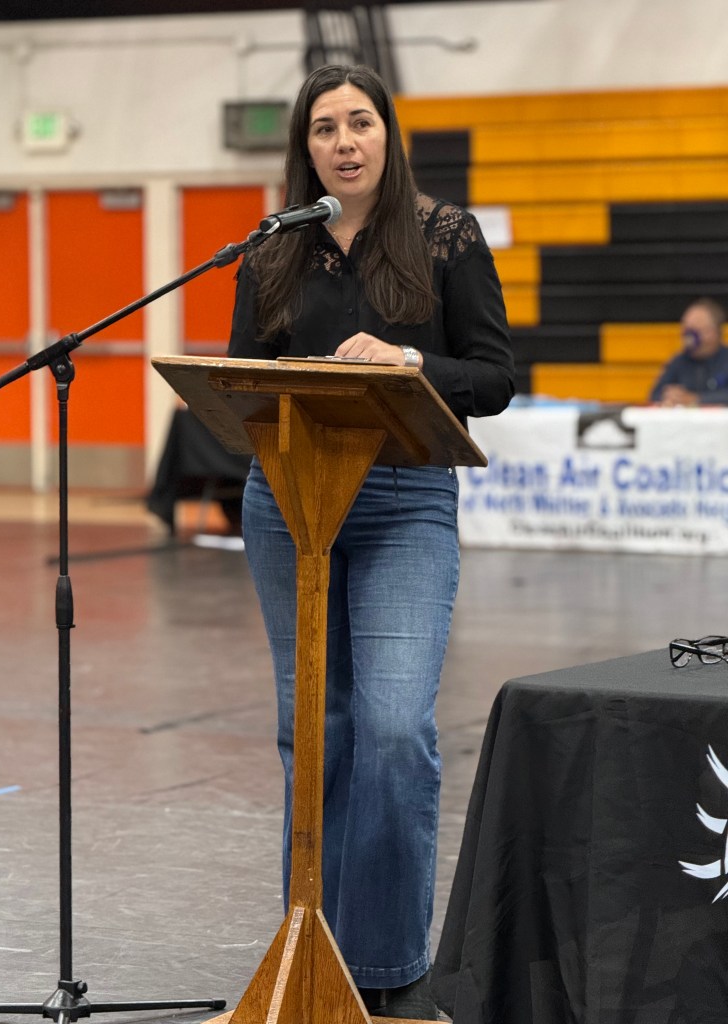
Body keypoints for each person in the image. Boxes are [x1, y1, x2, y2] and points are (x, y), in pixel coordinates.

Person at [228, 63, 514, 1020]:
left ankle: (387, 974)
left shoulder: (446, 236)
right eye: (323, 129)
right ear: (302, 147)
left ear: (388, 134)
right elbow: (242, 382)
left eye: (359, 123)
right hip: (288, 502)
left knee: (393, 730)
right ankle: (312, 952)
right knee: (315, 733)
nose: (343, 142)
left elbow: (494, 376)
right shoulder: (272, 248)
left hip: (403, 501)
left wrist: (409, 360)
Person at [649, 297, 728, 406]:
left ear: (714, 332)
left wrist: (697, 399)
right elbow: (655, 395)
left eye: (697, 330)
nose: (689, 337)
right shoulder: (679, 362)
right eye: (687, 330)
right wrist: (670, 396)